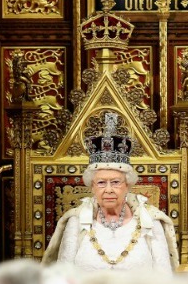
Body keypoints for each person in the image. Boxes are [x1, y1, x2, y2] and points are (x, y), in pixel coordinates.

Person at [42, 113, 179, 272]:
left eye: (115, 182)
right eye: (101, 183)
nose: (108, 190)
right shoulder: (76, 221)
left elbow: (163, 277)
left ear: (128, 185)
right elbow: (64, 278)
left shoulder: (150, 221)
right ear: (92, 187)